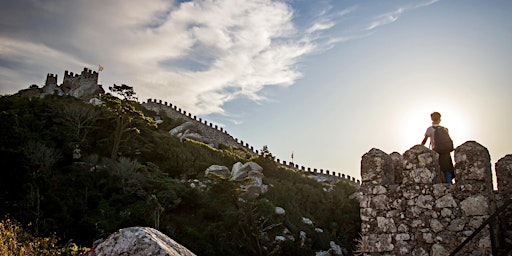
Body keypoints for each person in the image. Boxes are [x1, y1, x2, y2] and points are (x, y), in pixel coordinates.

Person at [421, 112, 455, 183]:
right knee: (447, 169)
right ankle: (449, 184)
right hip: (446, 152)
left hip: (436, 152)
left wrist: (420, 148)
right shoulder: (445, 129)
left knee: (436, 169)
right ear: (440, 119)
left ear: (432, 119)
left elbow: (424, 141)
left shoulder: (430, 129)